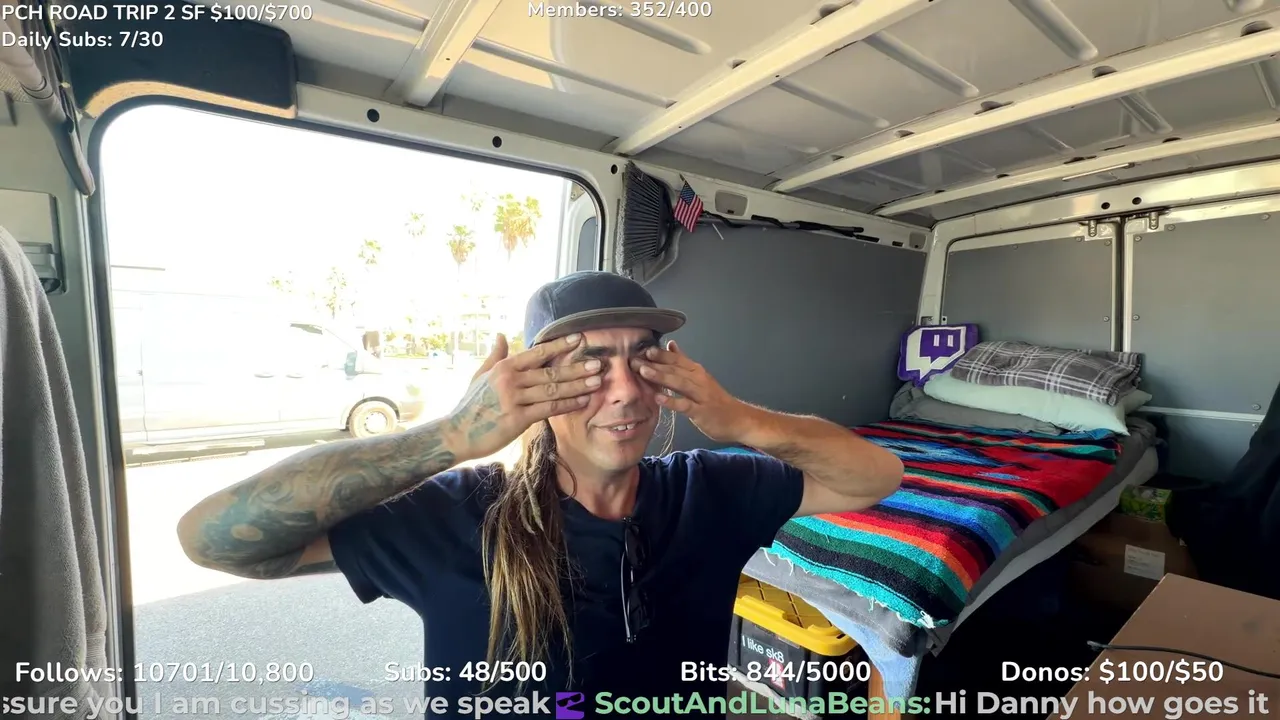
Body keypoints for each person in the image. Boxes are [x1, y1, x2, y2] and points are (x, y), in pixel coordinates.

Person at [177, 271, 904, 718]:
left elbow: (875, 476)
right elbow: (211, 539)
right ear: (533, 385)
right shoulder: (457, 516)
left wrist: (741, 420)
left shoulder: (710, 490)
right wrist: (447, 438)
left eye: (641, 360)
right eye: (588, 365)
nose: (624, 391)